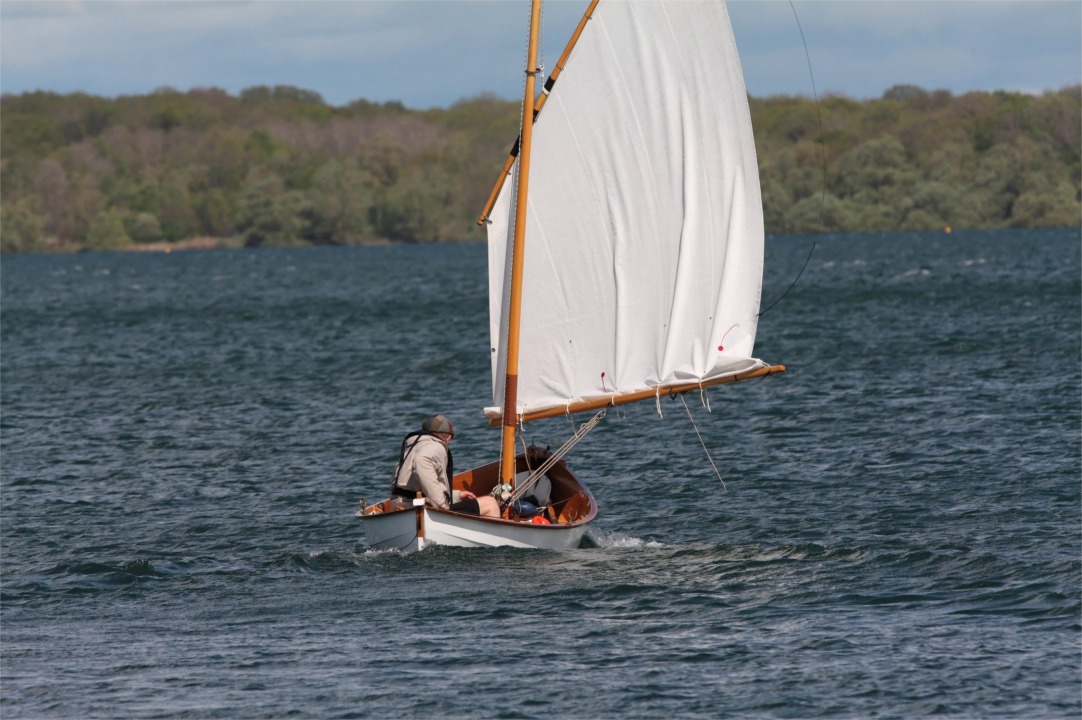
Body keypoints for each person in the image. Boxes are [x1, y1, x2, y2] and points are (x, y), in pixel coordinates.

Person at [391, 415, 500, 518]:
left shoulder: (411, 448)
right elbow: (421, 462)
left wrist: (457, 495)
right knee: (491, 503)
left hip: (401, 509)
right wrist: (443, 506)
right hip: (421, 510)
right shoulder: (436, 446)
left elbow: (418, 485)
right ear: (448, 437)